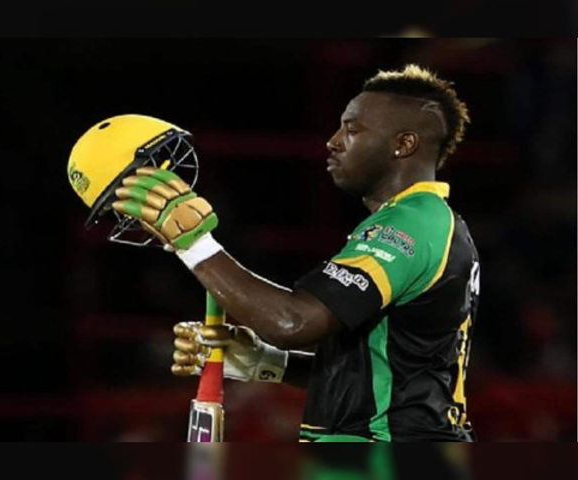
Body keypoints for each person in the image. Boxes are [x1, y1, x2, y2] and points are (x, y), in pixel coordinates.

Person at [111, 64, 479, 442]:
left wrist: (192, 242)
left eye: (352, 130)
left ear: (403, 145)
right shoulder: (426, 222)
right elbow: (383, 375)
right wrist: (265, 362)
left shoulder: (409, 227)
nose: (333, 141)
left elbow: (291, 322)